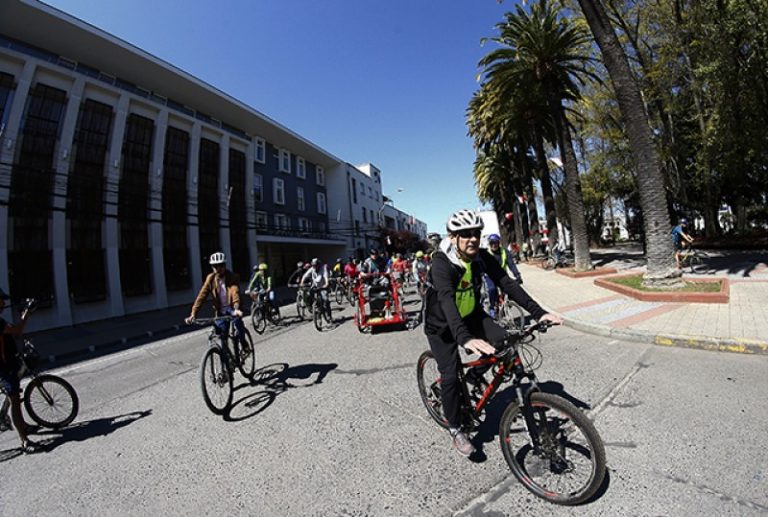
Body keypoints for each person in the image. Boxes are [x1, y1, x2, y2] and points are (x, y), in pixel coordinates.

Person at [423, 209, 562, 457]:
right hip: (442, 326)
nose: (473, 239)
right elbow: (446, 300)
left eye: (476, 233)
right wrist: (464, 337)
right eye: (465, 234)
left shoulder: (481, 256)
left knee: (504, 344)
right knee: (451, 376)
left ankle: (475, 377)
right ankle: (455, 428)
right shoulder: (441, 263)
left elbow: (506, 283)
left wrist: (539, 312)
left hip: (473, 315)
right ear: (453, 237)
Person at [0, 288, 39, 453]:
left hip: (8, 362)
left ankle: (22, 425)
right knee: (15, 400)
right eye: (1, 300)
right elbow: (17, 330)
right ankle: (25, 441)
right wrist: (26, 314)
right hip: (3, 367)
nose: (3, 304)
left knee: (14, 392)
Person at [185, 252, 246, 349]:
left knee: (238, 326)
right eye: (215, 266)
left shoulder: (232, 277)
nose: (218, 268)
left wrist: (236, 307)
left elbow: (235, 292)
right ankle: (226, 360)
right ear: (212, 267)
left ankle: (244, 344)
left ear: (224, 265)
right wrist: (193, 314)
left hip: (232, 308)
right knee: (222, 336)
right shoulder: (210, 279)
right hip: (221, 311)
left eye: (221, 265)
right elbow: (202, 296)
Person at [484, 234, 523, 319]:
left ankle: (506, 304)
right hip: (490, 276)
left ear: (499, 243)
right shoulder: (487, 253)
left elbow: (511, 265)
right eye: (491, 243)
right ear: (489, 244)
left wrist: (517, 275)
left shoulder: (504, 252)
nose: (494, 245)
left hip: (502, 275)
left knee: (511, 288)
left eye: (495, 243)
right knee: (492, 289)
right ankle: (492, 308)